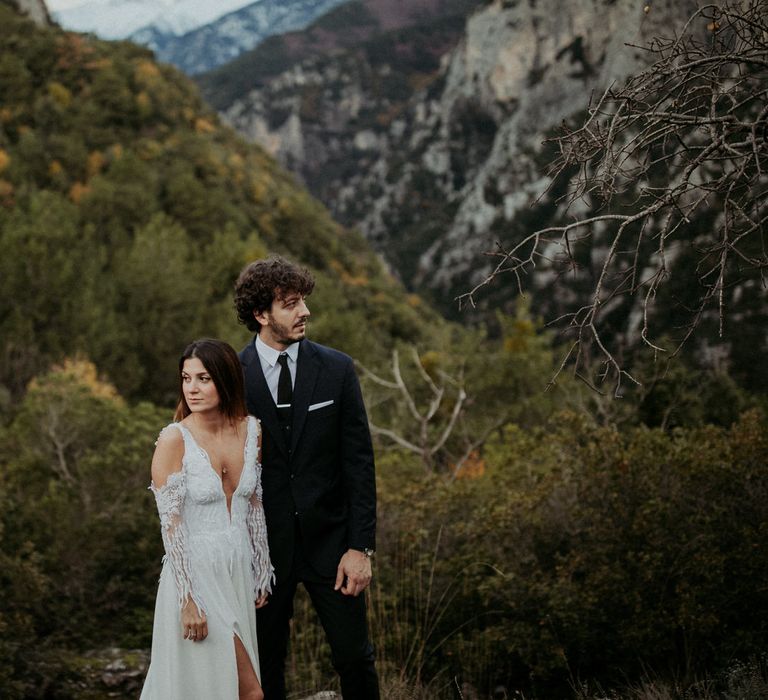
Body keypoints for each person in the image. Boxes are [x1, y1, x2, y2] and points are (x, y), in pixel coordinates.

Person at [234, 256, 380, 699]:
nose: (305, 312)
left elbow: (359, 463)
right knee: (266, 664)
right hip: (262, 552)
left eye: (303, 302)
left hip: (333, 547)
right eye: (291, 304)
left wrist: (360, 547)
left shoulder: (336, 369)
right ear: (261, 315)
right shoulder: (232, 378)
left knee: (355, 658)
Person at [141, 339, 274, 700]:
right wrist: (188, 599)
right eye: (186, 378)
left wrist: (262, 568)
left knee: (220, 690)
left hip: (238, 573)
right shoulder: (174, 439)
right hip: (196, 578)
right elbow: (171, 525)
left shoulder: (252, 430)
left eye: (203, 378)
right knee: (248, 693)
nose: (192, 388)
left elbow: (254, 504)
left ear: (226, 379)